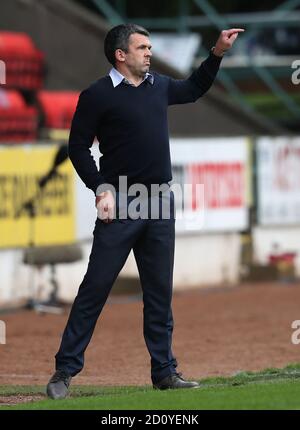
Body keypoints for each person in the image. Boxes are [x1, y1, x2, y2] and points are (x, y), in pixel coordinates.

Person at [46, 23, 244, 399]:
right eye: (142, 47)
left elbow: (194, 88)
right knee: (95, 289)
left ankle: (164, 372)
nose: (149, 53)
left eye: (150, 47)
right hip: (120, 203)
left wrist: (217, 52)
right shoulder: (97, 95)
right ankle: (64, 371)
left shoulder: (159, 86)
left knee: (158, 295)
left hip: (159, 203)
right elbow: (77, 148)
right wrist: (101, 187)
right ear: (121, 55)